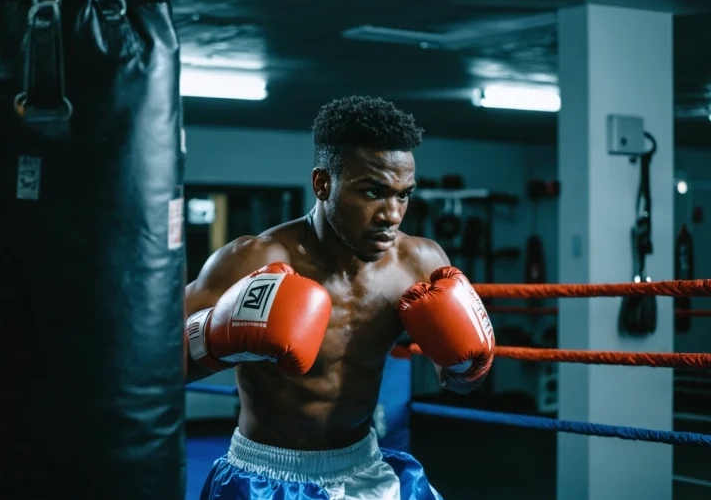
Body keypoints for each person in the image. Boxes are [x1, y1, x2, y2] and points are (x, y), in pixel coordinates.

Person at [184, 96, 496, 499]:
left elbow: (460, 383)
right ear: (322, 183)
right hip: (266, 473)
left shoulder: (421, 261)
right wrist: (215, 336)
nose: (392, 214)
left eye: (404, 195)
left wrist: (466, 367)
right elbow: (156, 365)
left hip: (365, 467)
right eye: (373, 192)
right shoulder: (252, 258)